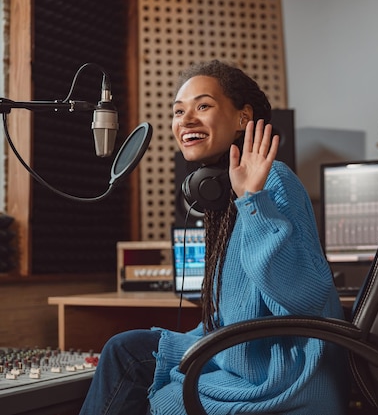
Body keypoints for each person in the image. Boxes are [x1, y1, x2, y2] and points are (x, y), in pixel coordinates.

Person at [78, 60, 350, 415]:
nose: (186, 120)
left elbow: (303, 298)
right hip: (242, 355)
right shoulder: (223, 197)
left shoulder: (272, 182)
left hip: (276, 379)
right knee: (124, 348)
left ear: (242, 118)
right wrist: (174, 345)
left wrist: (254, 201)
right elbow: (230, 318)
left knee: (159, 397)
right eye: (178, 111)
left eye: (202, 106)